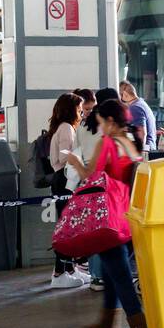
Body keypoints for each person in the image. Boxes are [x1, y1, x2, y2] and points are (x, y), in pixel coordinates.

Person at [66, 99, 149, 328]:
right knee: (114, 270)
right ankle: (107, 322)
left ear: (111, 122)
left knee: (120, 273)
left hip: (108, 218)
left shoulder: (108, 143)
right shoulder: (132, 142)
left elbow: (92, 177)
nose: (100, 129)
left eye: (102, 123)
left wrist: (74, 161)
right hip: (129, 215)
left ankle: (139, 326)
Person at [46, 92, 87, 289]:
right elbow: (64, 158)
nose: (82, 113)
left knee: (68, 225)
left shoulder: (63, 128)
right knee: (67, 227)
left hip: (63, 178)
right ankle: (60, 272)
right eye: (80, 110)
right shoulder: (66, 129)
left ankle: (69, 269)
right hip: (64, 179)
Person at [73, 96, 105, 292]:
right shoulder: (108, 129)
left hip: (86, 184)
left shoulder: (83, 126)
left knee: (93, 230)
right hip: (105, 184)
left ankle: (96, 276)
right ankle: (103, 275)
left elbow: (77, 153)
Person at [117, 81, 158, 152]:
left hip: (145, 153)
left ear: (125, 94)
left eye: (120, 96)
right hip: (151, 149)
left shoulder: (134, 108)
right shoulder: (142, 104)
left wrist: (136, 154)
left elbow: (141, 134)